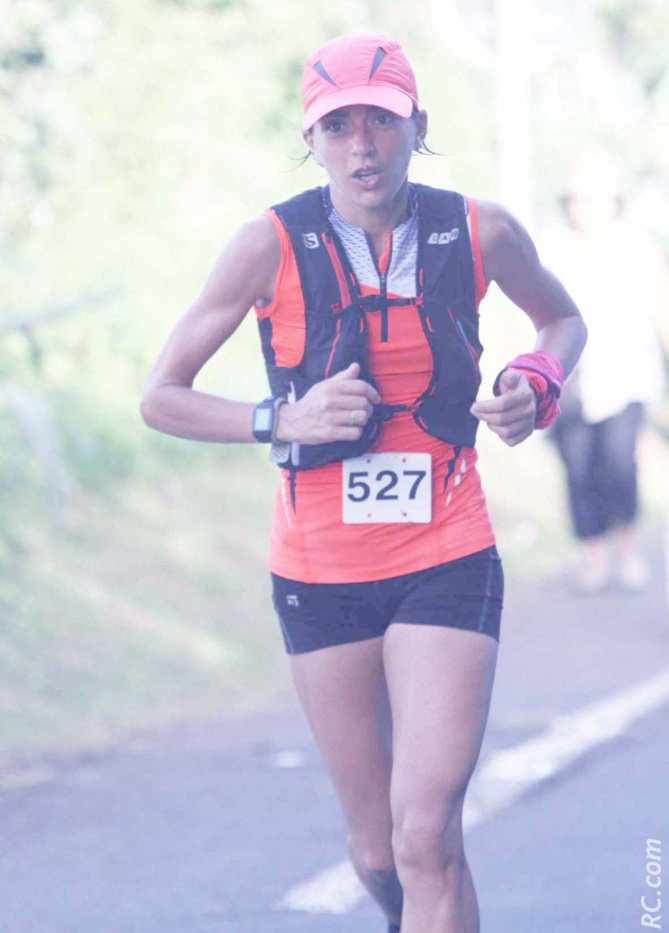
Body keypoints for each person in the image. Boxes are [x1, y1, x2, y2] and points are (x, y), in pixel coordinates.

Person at [140, 33, 586, 933]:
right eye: (336, 125)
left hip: (446, 551)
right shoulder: (266, 244)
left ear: (415, 126)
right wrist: (279, 419)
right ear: (309, 139)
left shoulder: (480, 230)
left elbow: (561, 321)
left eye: (378, 122)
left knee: (426, 834)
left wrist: (535, 384)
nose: (360, 146)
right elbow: (161, 398)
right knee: (380, 851)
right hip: (318, 571)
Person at [544, 153, 669, 594]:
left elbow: (659, 306)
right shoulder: (552, 246)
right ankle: (592, 555)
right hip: (567, 380)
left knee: (620, 464)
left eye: (598, 200)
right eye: (581, 200)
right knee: (578, 469)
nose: (590, 209)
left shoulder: (638, 245)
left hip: (627, 376)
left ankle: (628, 549)